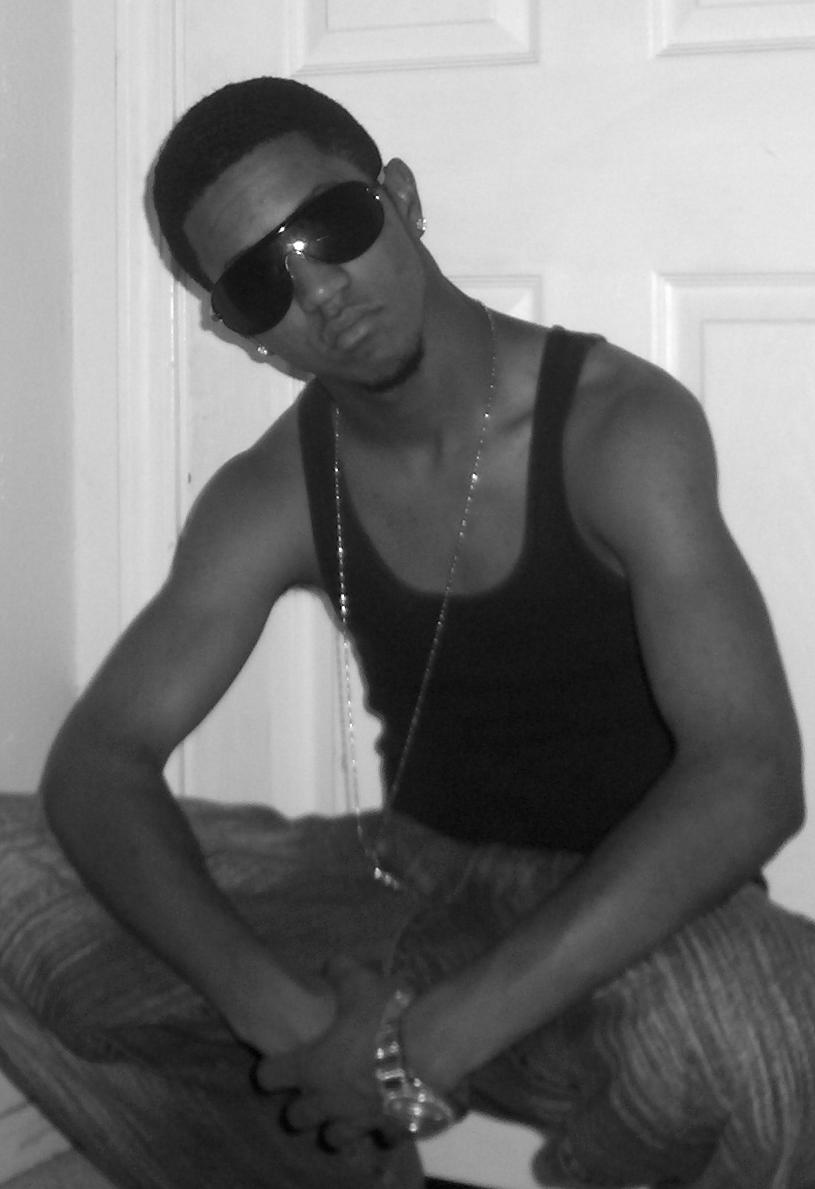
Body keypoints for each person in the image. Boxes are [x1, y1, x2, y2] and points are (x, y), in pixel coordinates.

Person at [4, 75, 815, 1189]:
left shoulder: (616, 428)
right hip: (404, 882)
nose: (319, 291)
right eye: (259, 282)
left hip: (626, 909)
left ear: (399, 197)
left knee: (779, 1042)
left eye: (329, 227)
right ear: (242, 333)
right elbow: (100, 760)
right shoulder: (269, 493)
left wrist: (415, 1049)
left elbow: (750, 777)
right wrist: (286, 1019)